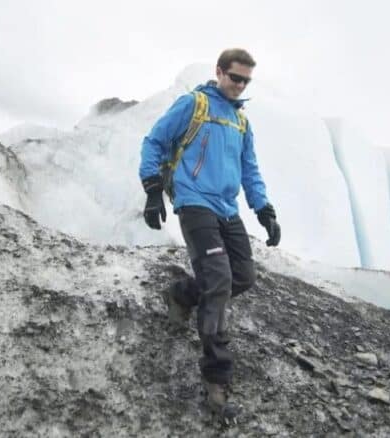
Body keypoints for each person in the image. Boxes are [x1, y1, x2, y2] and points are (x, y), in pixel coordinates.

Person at [138, 48, 281, 420]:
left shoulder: (241, 122)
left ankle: (182, 294)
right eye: (235, 77)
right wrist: (153, 188)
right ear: (219, 72)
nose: (239, 85)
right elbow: (154, 141)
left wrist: (264, 210)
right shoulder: (194, 104)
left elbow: (250, 169)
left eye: (246, 80)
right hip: (194, 201)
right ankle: (217, 382)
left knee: (244, 277)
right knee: (218, 281)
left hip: (227, 209)